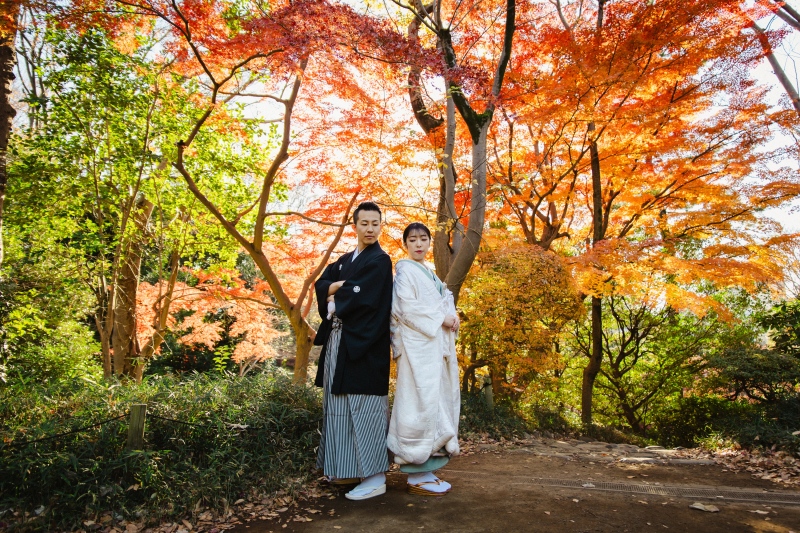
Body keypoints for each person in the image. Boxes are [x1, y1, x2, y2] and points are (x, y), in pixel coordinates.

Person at [313, 201, 393, 501]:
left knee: (365, 407)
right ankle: (346, 469)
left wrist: (338, 292)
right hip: (339, 344)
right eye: (365, 223)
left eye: (375, 223)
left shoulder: (381, 261)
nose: (370, 228)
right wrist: (336, 287)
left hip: (365, 346)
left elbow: (365, 298)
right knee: (338, 407)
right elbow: (322, 283)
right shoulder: (345, 260)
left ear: (380, 226)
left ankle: (375, 477)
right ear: (354, 226)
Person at [387, 222, 460, 496]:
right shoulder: (404, 270)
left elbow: (444, 303)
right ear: (405, 244)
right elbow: (406, 307)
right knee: (418, 404)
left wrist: (453, 318)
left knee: (436, 404)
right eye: (413, 240)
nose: (418, 244)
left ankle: (428, 470)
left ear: (430, 242)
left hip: (432, 348)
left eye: (423, 239)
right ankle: (415, 474)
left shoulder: (430, 273)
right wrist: (442, 318)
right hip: (417, 350)